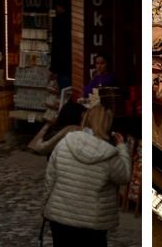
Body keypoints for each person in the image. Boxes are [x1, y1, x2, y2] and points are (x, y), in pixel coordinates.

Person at [43, 105, 131, 246]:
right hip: (92, 222)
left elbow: (50, 179)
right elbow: (125, 176)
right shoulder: (109, 155)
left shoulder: (64, 143)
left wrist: (46, 207)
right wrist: (122, 147)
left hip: (61, 218)